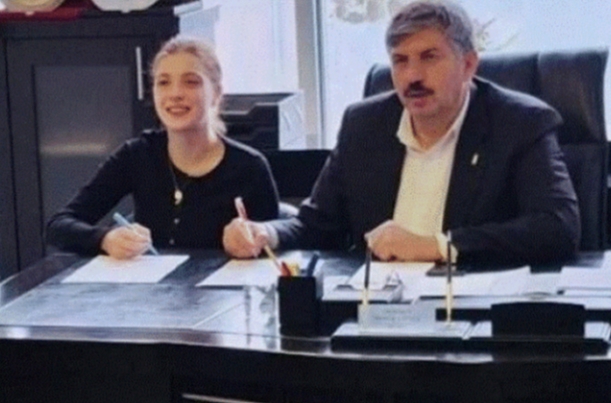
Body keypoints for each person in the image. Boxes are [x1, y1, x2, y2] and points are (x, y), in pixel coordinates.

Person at [225, 1, 580, 265]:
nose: (413, 76)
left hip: (473, 311)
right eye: (400, 60)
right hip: (376, 310)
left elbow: (558, 228)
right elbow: (316, 224)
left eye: (429, 57)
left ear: (469, 64)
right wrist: (266, 233)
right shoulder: (363, 125)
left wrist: (438, 246)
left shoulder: (519, 123)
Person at [46, 37, 279, 259]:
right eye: (163, 82)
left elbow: (280, 244)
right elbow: (58, 226)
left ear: (216, 94)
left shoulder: (250, 167)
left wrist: (257, 238)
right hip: (149, 286)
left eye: (191, 82)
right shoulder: (137, 155)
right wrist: (104, 239)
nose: (175, 94)